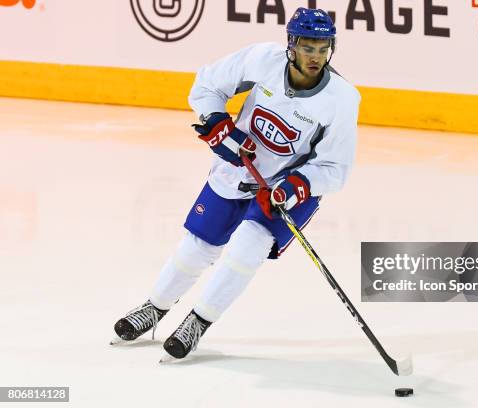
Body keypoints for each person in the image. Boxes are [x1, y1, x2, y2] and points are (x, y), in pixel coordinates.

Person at [112, 7, 360, 360]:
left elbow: (335, 168)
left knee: (247, 248)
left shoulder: (342, 99)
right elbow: (207, 85)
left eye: (323, 49)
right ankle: (155, 308)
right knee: (198, 246)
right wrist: (216, 121)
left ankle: (198, 321)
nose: (316, 57)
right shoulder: (262, 60)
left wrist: (295, 186)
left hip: (286, 189)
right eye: (308, 47)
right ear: (291, 45)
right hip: (238, 168)